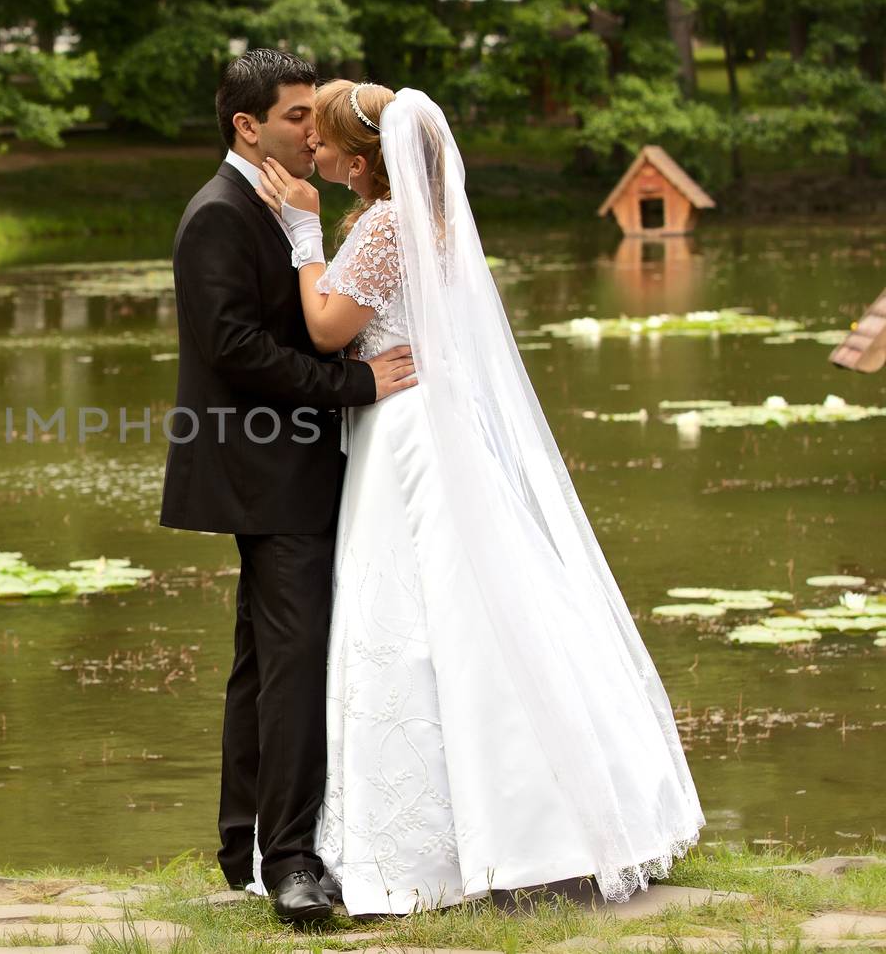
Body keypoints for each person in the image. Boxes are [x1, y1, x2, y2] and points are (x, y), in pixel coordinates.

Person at [250, 80, 705, 914]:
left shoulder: (384, 223)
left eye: (325, 142)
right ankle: (525, 820)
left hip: (408, 433)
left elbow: (325, 327)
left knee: (420, 613)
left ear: (360, 157)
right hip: (423, 419)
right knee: (464, 605)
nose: (311, 151)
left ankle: (459, 841)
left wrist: (302, 232)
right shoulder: (428, 217)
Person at [159, 49, 416, 924]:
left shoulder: (285, 205)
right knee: (294, 665)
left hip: (303, 465)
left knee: (264, 665)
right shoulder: (217, 217)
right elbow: (235, 348)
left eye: (315, 114)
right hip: (264, 472)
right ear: (248, 126)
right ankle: (294, 862)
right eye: (299, 115)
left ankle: (248, 846)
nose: (315, 129)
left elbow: (313, 322)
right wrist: (356, 384)